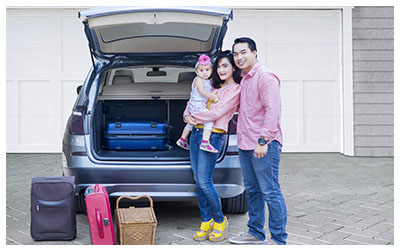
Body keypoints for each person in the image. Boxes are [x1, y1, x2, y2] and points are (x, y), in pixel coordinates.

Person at [228, 37, 287, 245]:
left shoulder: (265, 76)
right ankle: (255, 233)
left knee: (270, 190)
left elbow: (273, 110)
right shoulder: (244, 78)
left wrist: (263, 140)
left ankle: (278, 239)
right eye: (235, 54)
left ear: (254, 53)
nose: (239, 57)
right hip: (245, 143)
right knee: (252, 190)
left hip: (263, 144)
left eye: (243, 52)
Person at [183, 50, 241, 242]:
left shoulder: (235, 90)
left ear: (233, 67)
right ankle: (206, 220)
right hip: (196, 134)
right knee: (198, 180)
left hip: (213, 136)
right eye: (219, 66)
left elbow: (217, 112)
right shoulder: (211, 85)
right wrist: (186, 116)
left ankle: (219, 221)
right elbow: (194, 101)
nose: (221, 70)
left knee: (205, 180)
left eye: (225, 66)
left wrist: (194, 118)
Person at [176, 54, 219, 153]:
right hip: (197, 105)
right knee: (209, 121)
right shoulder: (198, 80)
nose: (204, 73)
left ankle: (182, 139)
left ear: (211, 70)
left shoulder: (207, 81)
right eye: (201, 70)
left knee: (192, 122)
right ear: (196, 72)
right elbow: (202, 91)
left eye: (207, 70)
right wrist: (214, 97)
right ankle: (205, 142)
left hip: (195, 106)